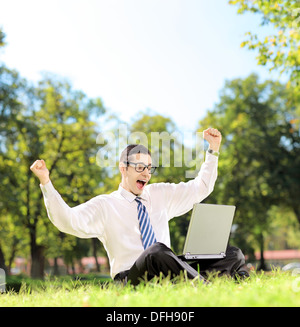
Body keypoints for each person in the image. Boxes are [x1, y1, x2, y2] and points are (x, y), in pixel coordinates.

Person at [30, 128, 247, 285]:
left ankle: (242, 285)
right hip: (130, 278)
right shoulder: (105, 205)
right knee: (156, 252)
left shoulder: (159, 194)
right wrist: (46, 183)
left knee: (231, 254)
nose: (146, 173)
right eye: (140, 167)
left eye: (150, 168)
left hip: (166, 269)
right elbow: (67, 220)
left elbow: (201, 188)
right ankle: (204, 288)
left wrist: (213, 150)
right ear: (123, 168)